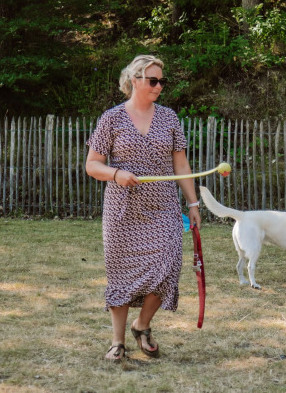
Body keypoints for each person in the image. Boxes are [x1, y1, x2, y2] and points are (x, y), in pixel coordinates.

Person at [85, 54, 201, 361]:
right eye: (153, 80)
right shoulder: (112, 118)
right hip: (123, 210)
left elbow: (180, 164)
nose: (159, 86)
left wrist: (192, 203)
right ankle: (117, 342)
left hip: (163, 207)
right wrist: (116, 173)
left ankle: (142, 325)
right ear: (134, 81)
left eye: (162, 81)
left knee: (168, 267)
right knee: (121, 275)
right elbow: (92, 165)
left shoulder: (169, 118)